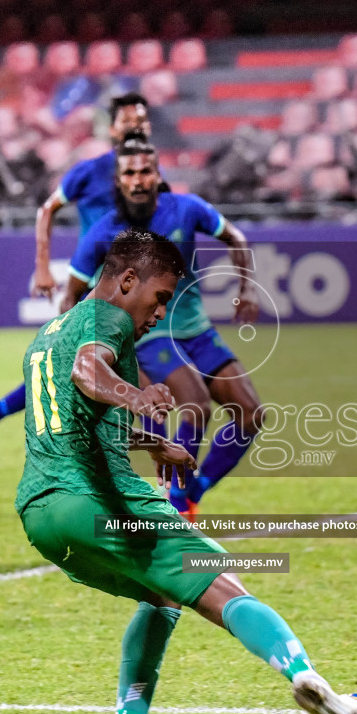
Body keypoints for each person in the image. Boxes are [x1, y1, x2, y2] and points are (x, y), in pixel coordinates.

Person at [16, 228, 357, 714]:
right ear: (126, 280)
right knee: (220, 576)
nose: (159, 313)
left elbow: (74, 417)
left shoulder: (49, 331)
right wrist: (138, 396)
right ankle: (306, 676)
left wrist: (156, 442)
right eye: (160, 298)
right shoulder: (107, 319)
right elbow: (88, 374)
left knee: (163, 598)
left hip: (42, 516)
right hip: (94, 499)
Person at [66, 137, 261, 520]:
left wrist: (247, 288)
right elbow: (72, 292)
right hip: (148, 334)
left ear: (158, 175)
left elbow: (234, 236)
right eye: (129, 173)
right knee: (195, 405)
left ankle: (193, 491)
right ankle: (174, 508)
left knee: (251, 414)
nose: (138, 180)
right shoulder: (106, 230)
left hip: (196, 329)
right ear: (118, 182)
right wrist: (105, 349)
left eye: (145, 171)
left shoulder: (186, 210)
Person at [0, 93, 153, 472]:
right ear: (111, 129)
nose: (135, 128)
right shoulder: (90, 171)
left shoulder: (149, 176)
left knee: (69, 371)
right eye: (127, 122)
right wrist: (43, 266)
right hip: (99, 290)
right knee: (127, 383)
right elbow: (47, 209)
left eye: (141, 122)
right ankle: (159, 484)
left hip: (135, 293)